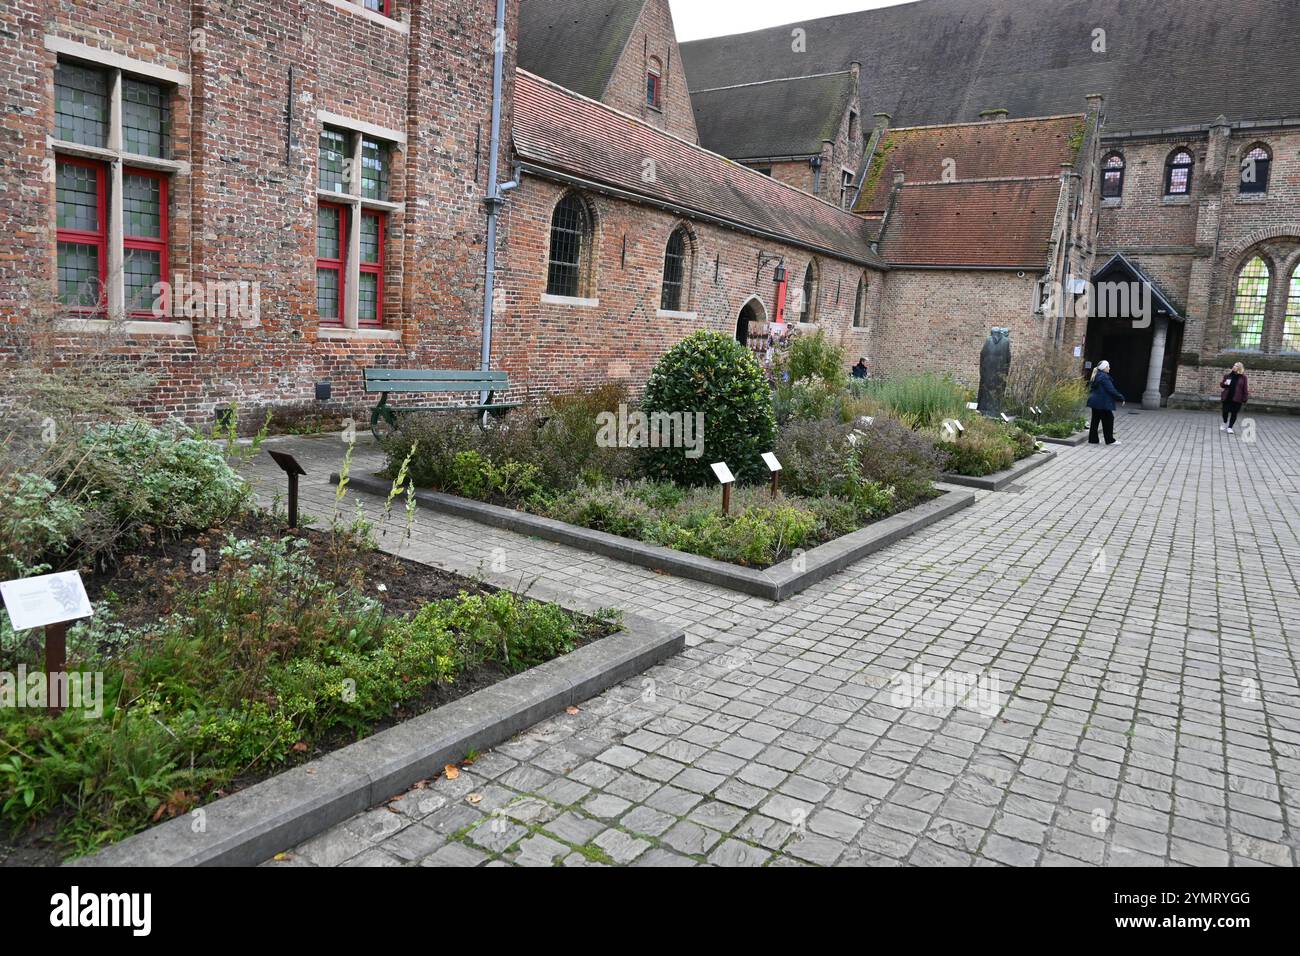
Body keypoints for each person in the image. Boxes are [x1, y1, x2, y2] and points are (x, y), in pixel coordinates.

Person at [1087, 359, 1125, 445]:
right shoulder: (1104, 377)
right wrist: (1121, 397)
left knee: (1095, 420)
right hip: (1102, 403)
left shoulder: (1096, 375)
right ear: (1104, 368)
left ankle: (1093, 439)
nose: (1109, 368)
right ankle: (1110, 440)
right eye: (1108, 366)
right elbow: (1111, 389)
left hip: (1095, 401)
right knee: (1109, 420)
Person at [1220, 362, 1249, 434]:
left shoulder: (1243, 378)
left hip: (1237, 398)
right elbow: (1222, 385)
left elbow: (1245, 388)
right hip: (1227, 397)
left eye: (1236, 366)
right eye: (1234, 365)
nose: (1234, 366)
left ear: (1239, 368)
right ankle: (1225, 422)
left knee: (1234, 413)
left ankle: (1230, 427)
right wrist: (1224, 383)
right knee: (1225, 412)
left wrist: (1245, 398)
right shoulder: (1228, 376)